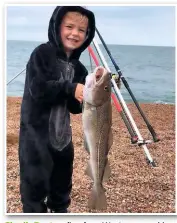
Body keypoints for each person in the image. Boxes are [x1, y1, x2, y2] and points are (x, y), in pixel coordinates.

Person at [18, 6, 95, 213]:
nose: (75, 33)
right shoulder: (42, 53)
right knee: (33, 196)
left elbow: (75, 107)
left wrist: (91, 91)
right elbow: (38, 89)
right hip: (35, 140)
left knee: (61, 195)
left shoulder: (79, 68)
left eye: (81, 30)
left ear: (87, 35)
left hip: (63, 141)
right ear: (56, 26)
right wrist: (71, 88)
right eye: (69, 26)